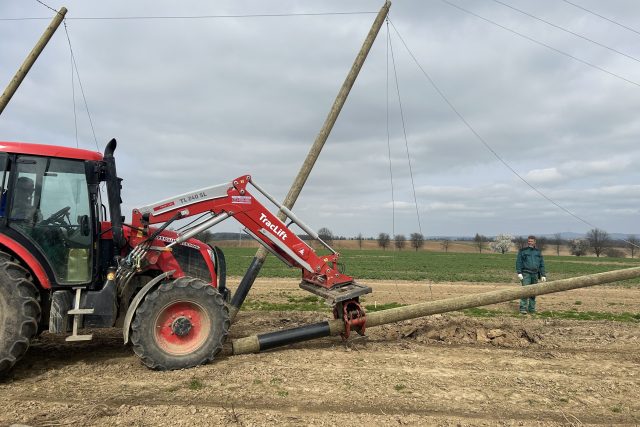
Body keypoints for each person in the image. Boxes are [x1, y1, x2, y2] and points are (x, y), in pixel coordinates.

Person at [515, 235, 546, 314]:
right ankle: (523, 308)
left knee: (533, 292)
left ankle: (532, 309)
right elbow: (518, 262)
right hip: (526, 274)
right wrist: (519, 272)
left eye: (531, 241)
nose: (530, 242)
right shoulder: (523, 251)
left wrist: (543, 275)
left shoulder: (538, 252)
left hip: (535, 274)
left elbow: (541, 264)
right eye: (529, 241)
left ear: (534, 242)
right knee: (525, 291)